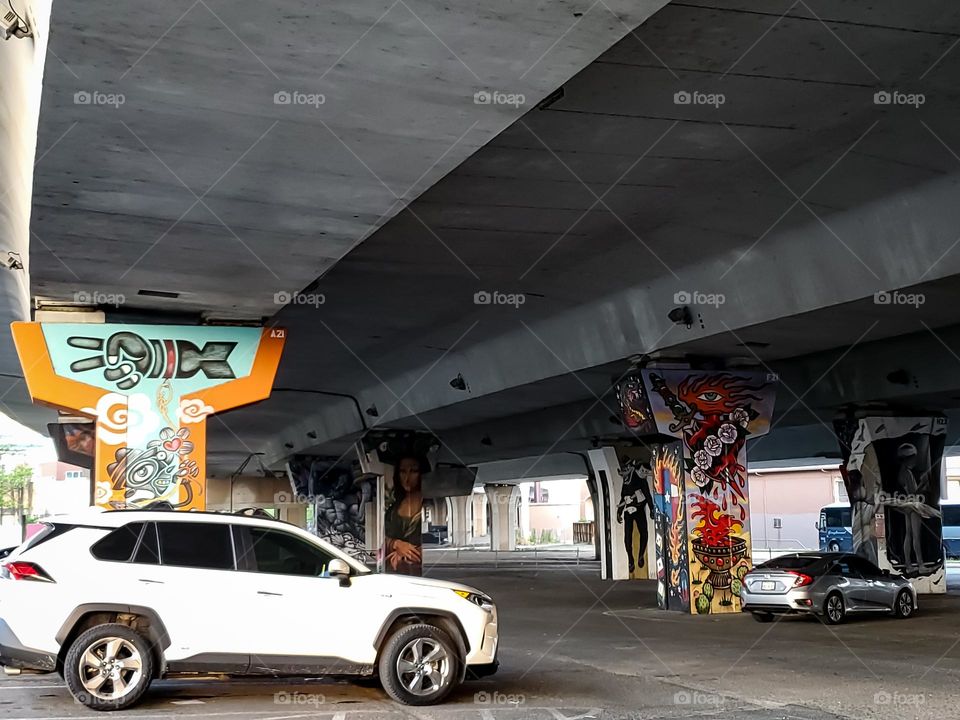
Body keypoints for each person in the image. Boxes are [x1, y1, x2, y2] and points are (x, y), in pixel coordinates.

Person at [384, 456, 424, 575]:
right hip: (393, 572)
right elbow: (382, 537)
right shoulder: (393, 509)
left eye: (414, 471)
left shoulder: (429, 504)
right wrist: (396, 544)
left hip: (421, 571)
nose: (407, 478)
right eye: (402, 471)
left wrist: (408, 554)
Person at [617, 460, 655, 573]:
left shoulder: (643, 481)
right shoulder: (628, 480)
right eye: (642, 471)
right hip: (628, 511)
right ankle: (630, 559)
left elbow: (648, 495)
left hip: (639, 510)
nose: (644, 473)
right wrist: (619, 512)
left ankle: (641, 555)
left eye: (646, 472)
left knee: (644, 533)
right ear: (637, 469)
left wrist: (652, 509)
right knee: (627, 536)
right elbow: (623, 497)